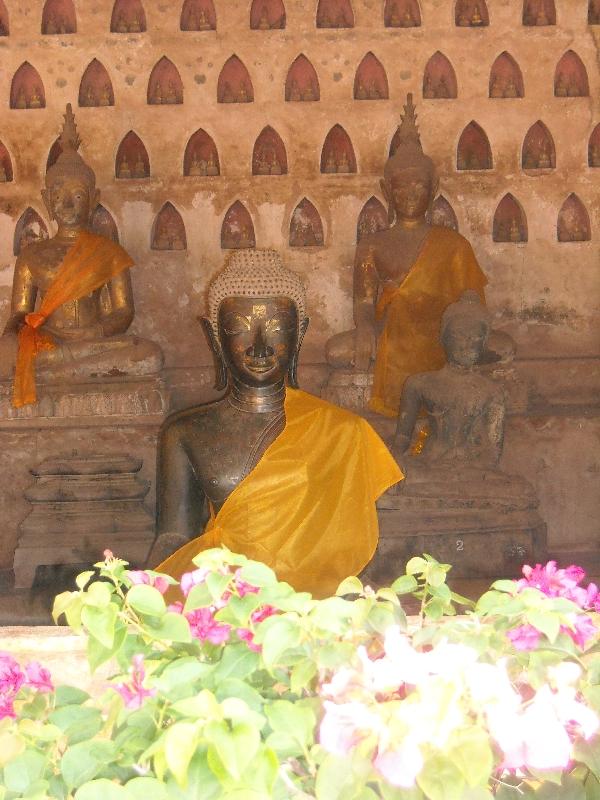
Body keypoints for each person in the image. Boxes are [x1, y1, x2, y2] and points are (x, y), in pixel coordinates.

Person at [152, 249, 402, 596]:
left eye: (276, 329)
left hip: (311, 604)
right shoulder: (186, 432)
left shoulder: (344, 433)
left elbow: (355, 546)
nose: (259, 348)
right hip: (224, 597)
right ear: (214, 338)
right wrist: (147, 603)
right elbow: (174, 537)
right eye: (240, 329)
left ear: (299, 336)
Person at [326, 94, 488, 417]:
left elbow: (472, 301)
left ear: (434, 188)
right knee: (336, 351)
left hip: (446, 332)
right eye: (400, 188)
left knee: (500, 346)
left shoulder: (453, 244)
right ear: (386, 191)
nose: (410, 194)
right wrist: (364, 328)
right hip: (392, 331)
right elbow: (363, 302)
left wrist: (463, 333)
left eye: (418, 186)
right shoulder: (372, 244)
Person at [0, 104, 162, 408]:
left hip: (95, 344)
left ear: (93, 201)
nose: (69, 206)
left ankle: (64, 372)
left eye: (78, 197)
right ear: (48, 201)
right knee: (7, 356)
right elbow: (20, 313)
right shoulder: (32, 255)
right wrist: (13, 336)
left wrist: (93, 333)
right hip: (46, 343)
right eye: (60, 197)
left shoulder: (109, 253)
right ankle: (68, 371)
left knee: (148, 355)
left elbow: (123, 312)